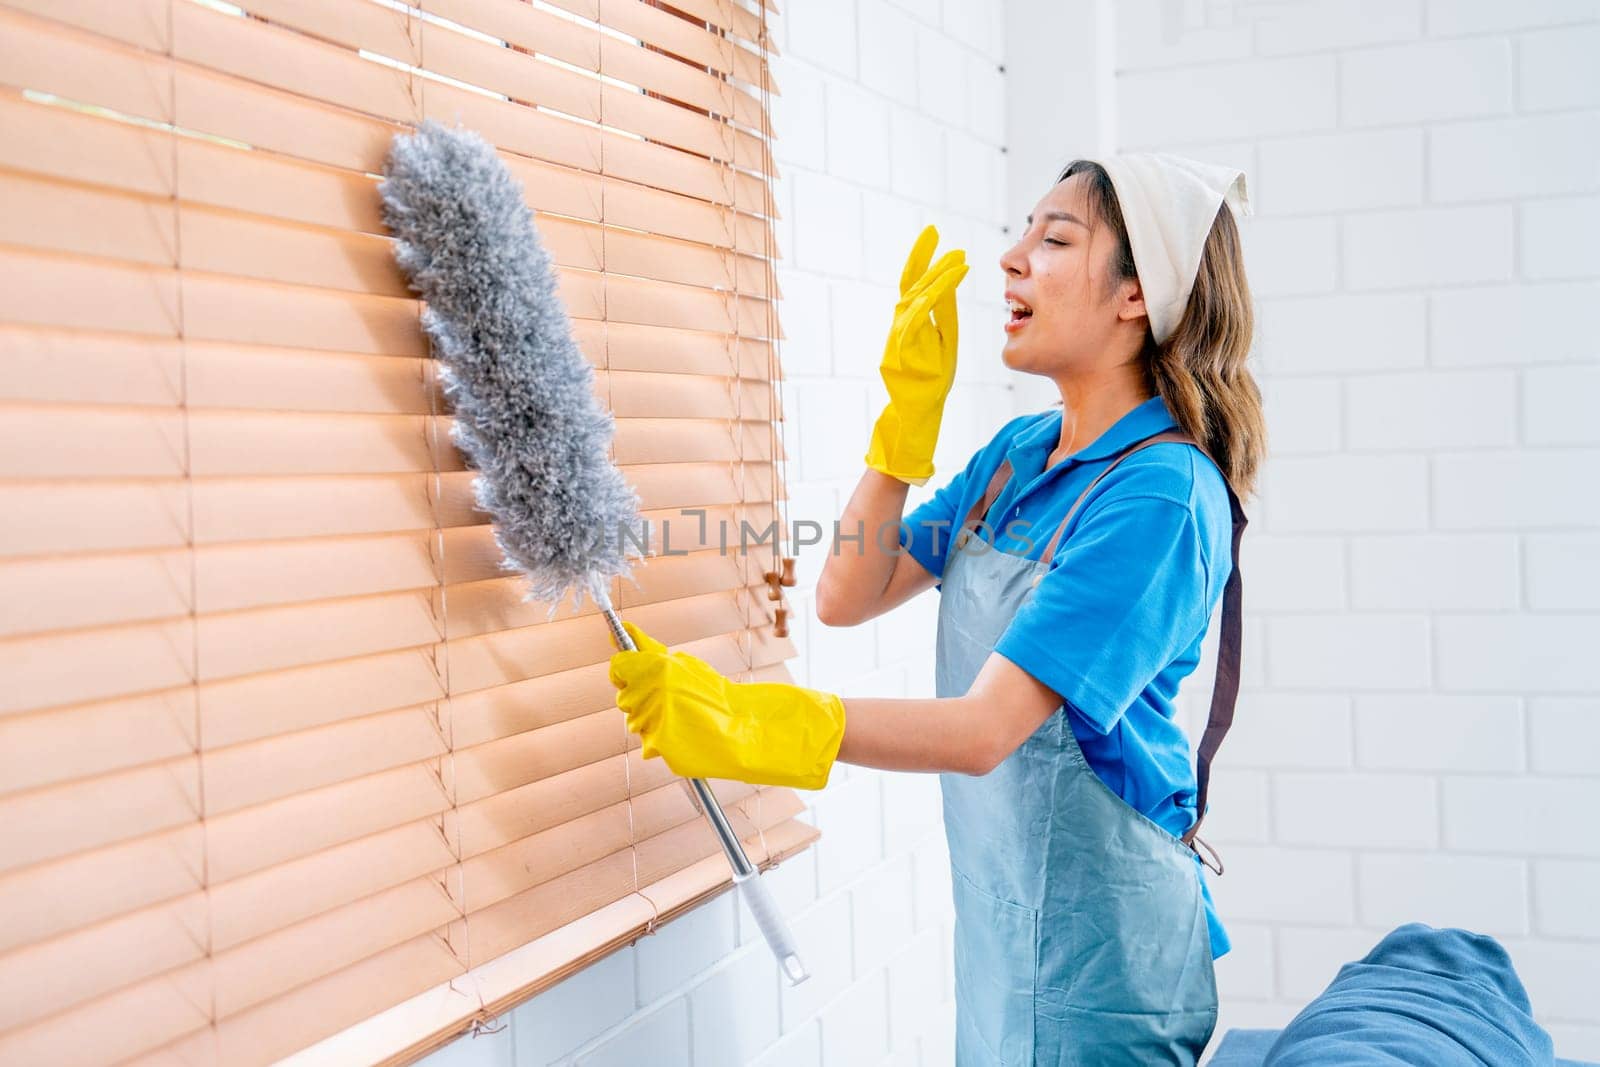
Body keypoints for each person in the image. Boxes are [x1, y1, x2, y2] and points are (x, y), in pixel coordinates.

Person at [608, 152, 1266, 1065]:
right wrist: (903, 422)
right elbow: (848, 592)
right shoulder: (1016, 454)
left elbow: (985, 729)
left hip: (1105, 961)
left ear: (1135, 297)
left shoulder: (1158, 494)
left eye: (1055, 237)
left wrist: (767, 725)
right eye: (1025, 231)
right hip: (1005, 937)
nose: (1012, 257)